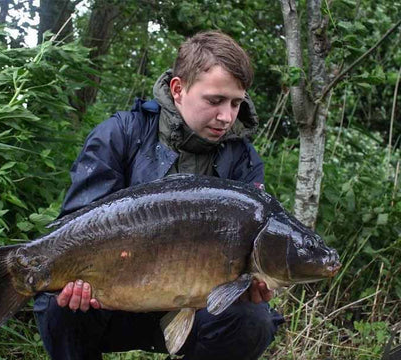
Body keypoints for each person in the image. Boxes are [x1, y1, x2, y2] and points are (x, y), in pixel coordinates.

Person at [34, 30, 284, 360]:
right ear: (178, 89)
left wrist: (253, 284)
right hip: (110, 300)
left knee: (254, 321)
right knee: (60, 305)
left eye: (236, 103)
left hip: (193, 308)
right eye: (214, 101)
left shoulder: (243, 159)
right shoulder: (121, 134)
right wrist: (71, 277)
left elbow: (244, 268)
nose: (226, 116)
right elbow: (75, 225)